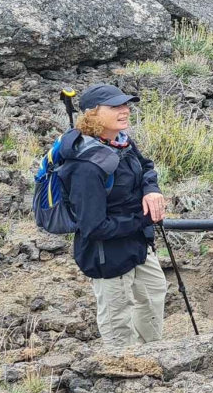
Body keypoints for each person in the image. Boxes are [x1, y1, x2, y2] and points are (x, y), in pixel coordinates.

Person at [62, 84, 168, 350]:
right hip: (106, 256)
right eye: (116, 107)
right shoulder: (85, 166)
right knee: (117, 316)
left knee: (153, 293)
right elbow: (93, 226)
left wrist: (151, 191)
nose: (125, 110)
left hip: (137, 244)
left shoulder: (121, 141)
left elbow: (146, 167)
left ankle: (153, 353)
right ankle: (124, 369)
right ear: (93, 114)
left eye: (126, 105)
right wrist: (143, 220)